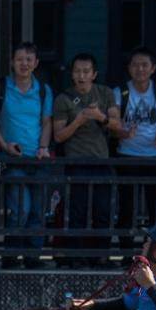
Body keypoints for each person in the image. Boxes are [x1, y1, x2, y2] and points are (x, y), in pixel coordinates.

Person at [53, 53, 121, 268]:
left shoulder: (105, 93)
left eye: (86, 71)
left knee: (103, 211)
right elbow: (59, 136)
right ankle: (77, 257)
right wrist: (79, 120)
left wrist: (100, 117)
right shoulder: (63, 98)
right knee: (77, 212)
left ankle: (101, 256)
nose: (81, 76)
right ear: (72, 74)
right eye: (77, 72)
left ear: (94, 74)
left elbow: (118, 126)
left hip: (101, 161)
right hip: (76, 162)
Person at [113, 47, 156, 264]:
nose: (140, 69)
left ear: (153, 68)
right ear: (129, 68)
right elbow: (114, 122)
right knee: (127, 205)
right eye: (135, 64)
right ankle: (127, 253)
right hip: (127, 154)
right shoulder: (120, 91)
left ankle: (154, 254)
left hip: (155, 155)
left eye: (145, 65)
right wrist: (124, 132)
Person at [0, 41, 53, 269]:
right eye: (20, 59)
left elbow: (47, 122)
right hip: (13, 158)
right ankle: (11, 255)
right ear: (12, 62)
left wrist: (43, 146)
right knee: (20, 208)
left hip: (37, 158)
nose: (24, 63)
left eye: (29, 59)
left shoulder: (42, 90)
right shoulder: (2, 87)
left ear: (36, 63)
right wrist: (4, 146)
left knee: (38, 211)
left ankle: (33, 257)